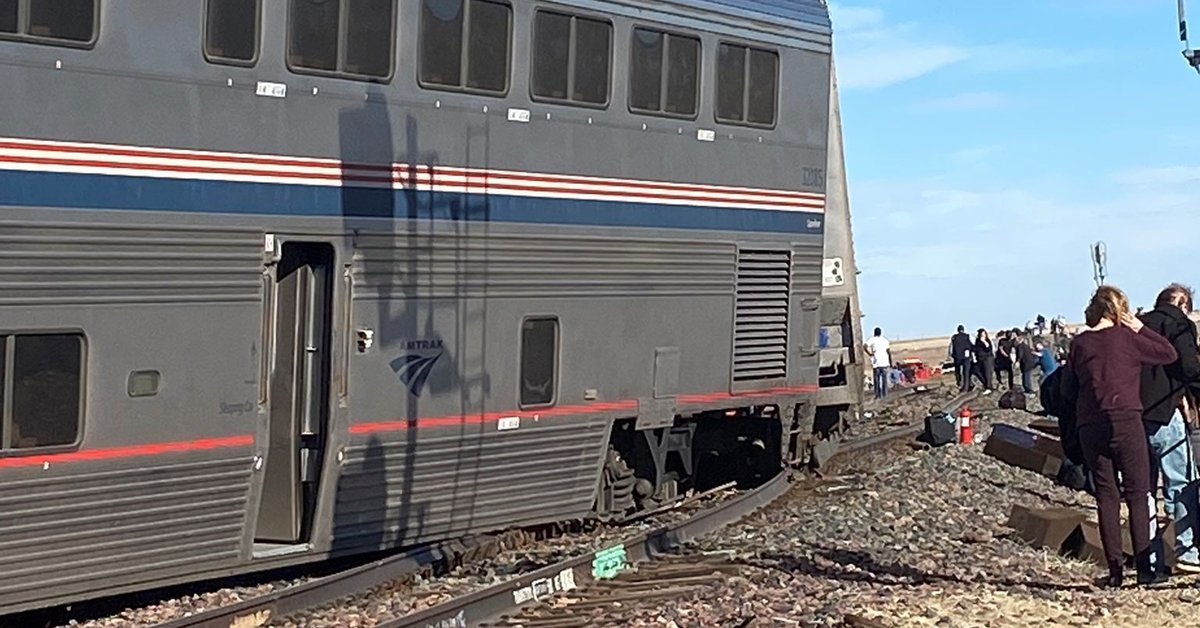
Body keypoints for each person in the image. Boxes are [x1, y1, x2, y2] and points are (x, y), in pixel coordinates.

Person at [1061, 285, 1177, 587]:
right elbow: (1168, 354)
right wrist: (1140, 328)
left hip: (1091, 425)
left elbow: (1067, 390)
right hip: (1127, 420)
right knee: (1138, 494)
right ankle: (1145, 571)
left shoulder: (1080, 343)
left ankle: (1115, 572)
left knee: (1107, 497)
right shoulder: (1128, 337)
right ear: (1120, 310)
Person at [1139, 284, 1200, 574]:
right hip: (1166, 411)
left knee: (1143, 490)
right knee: (1182, 481)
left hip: (1133, 414)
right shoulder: (1178, 324)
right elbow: (1188, 368)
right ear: (1183, 305)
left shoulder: (1136, 325)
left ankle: (1151, 559)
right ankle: (1186, 550)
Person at [864, 327, 892, 400]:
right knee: (884, 380)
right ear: (880, 333)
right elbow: (888, 352)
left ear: (874, 332)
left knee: (877, 380)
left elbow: (865, 346)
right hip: (885, 363)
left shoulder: (872, 339)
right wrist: (890, 362)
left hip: (876, 363)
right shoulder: (885, 340)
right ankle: (885, 395)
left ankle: (877, 395)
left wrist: (870, 354)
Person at [949, 325, 974, 392]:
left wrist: (952, 356)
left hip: (957, 357)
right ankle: (966, 387)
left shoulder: (954, 337)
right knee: (966, 372)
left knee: (958, 372)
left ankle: (959, 384)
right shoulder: (968, 336)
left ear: (958, 330)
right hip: (966, 357)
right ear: (963, 330)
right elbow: (973, 345)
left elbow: (951, 349)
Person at [973, 329, 995, 394]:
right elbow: (976, 349)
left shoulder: (987, 341)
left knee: (987, 373)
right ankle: (986, 385)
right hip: (980, 359)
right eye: (981, 334)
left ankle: (989, 387)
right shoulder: (977, 341)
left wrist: (984, 341)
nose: (983, 335)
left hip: (987, 358)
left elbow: (988, 348)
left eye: (984, 334)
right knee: (977, 371)